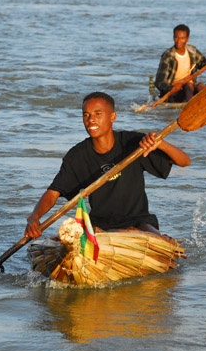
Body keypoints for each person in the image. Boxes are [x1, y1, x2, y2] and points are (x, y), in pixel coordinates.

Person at [25, 91, 190, 240]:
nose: (91, 120)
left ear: (113, 117)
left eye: (98, 114)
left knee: (158, 241)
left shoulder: (135, 143)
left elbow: (184, 161)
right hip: (100, 227)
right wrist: (34, 217)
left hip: (139, 223)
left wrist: (160, 144)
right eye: (86, 115)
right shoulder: (77, 156)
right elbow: (53, 193)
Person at [155, 24, 206, 102]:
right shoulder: (168, 56)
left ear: (187, 39)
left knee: (200, 85)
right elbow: (160, 82)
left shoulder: (192, 51)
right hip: (175, 91)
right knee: (188, 85)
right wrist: (171, 88)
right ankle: (190, 104)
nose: (179, 41)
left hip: (190, 88)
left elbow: (203, 63)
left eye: (182, 38)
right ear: (173, 37)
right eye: (176, 37)